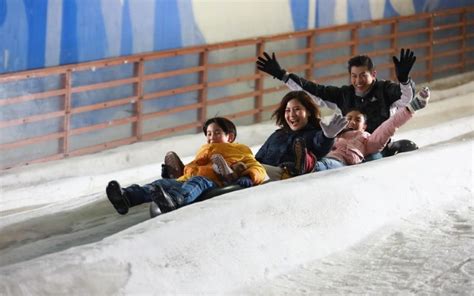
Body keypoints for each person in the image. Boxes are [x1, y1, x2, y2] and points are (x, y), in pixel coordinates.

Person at [256, 48, 417, 158]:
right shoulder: (344, 95)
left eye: (363, 75)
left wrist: (404, 80)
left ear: (373, 74)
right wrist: (283, 76)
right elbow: (314, 91)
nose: (358, 81)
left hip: (377, 147)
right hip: (349, 148)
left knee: (375, 157)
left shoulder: (385, 90)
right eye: (354, 76)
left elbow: (406, 99)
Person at [106, 117, 267, 215]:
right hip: (189, 179)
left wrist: (249, 176)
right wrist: (175, 174)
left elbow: (256, 166)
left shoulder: (239, 150)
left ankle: (176, 200)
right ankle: (127, 197)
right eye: (209, 134)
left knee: (198, 181)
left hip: (215, 182)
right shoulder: (203, 151)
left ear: (229, 136)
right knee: (161, 184)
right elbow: (193, 169)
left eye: (217, 133)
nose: (211, 137)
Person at [297, 87, 430, 173]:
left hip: (340, 164)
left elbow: (388, 127)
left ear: (365, 126)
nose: (352, 122)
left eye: (357, 119)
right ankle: (298, 164)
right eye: (348, 118)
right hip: (320, 156)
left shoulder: (366, 139)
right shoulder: (331, 135)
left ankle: (310, 165)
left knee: (329, 164)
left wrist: (410, 108)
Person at [255, 90, 347, 180]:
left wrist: (327, 137)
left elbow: (320, 146)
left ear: (308, 112)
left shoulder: (314, 134)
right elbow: (258, 158)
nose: (292, 115)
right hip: (262, 174)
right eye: (288, 110)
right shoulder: (277, 135)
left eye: (297, 109)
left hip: (286, 175)